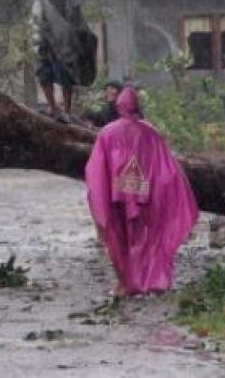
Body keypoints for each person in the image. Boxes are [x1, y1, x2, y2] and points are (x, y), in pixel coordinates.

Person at [85, 88, 199, 297]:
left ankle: (125, 283)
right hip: (145, 196)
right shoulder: (151, 132)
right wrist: (170, 195)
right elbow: (167, 169)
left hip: (116, 196)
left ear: (118, 106)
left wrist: (99, 196)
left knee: (119, 240)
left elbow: (96, 169)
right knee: (149, 238)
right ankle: (152, 280)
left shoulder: (108, 132)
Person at [31, 0, 96, 121]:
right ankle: (52, 107)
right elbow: (38, 7)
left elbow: (73, 8)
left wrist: (74, 31)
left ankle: (66, 110)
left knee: (65, 72)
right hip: (43, 33)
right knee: (42, 71)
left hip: (62, 35)